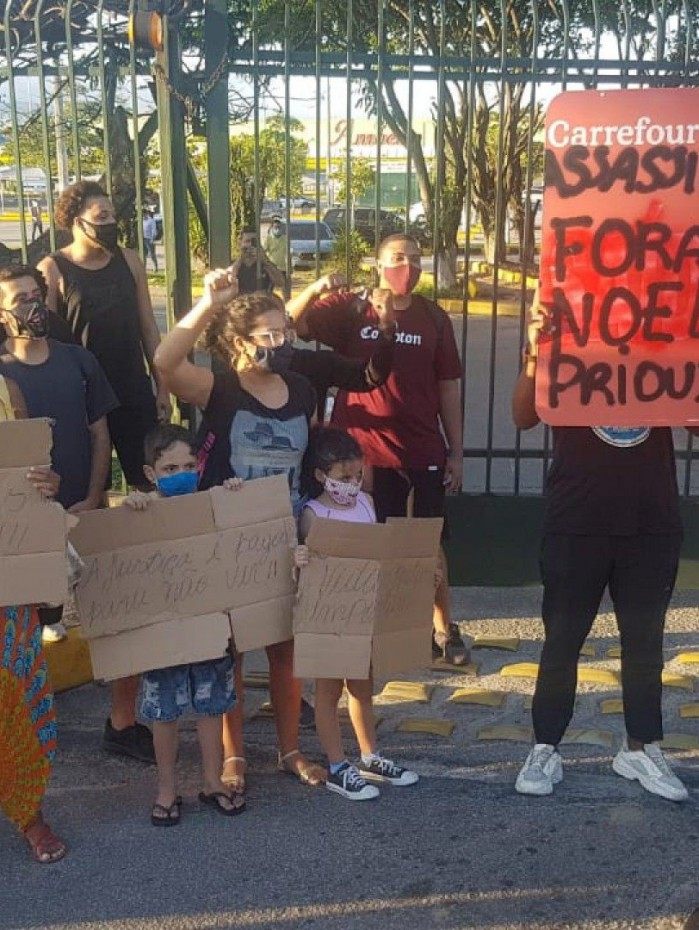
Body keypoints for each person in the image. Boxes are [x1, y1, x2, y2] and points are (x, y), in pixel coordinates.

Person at [153, 271, 326, 798]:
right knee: (229, 651)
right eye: (269, 334)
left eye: (285, 330)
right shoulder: (219, 387)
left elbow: (307, 464)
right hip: (226, 541)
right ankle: (233, 755)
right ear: (240, 341)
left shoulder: (303, 391)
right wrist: (208, 302)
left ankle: (290, 750)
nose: (282, 341)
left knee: (285, 652)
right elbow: (165, 362)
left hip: (283, 538)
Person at [511, 294, 690, 802]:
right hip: (578, 519)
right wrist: (534, 353)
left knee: (645, 643)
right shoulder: (565, 344)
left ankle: (642, 746)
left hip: (649, 520)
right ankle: (545, 746)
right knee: (562, 639)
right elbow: (523, 415)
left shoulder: (664, 346)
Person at [287, 233, 469, 666]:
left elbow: (448, 386)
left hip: (420, 447)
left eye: (416, 259)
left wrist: (456, 452)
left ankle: (444, 630)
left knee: (428, 544)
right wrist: (316, 288)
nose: (409, 267)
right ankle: (367, 629)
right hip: (361, 454)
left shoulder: (434, 318)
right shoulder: (352, 307)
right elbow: (291, 323)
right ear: (378, 263)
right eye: (399, 258)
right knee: (365, 543)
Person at [0, 264, 154, 763]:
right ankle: (25, 734)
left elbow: (99, 434)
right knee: (27, 633)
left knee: (115, 614)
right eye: (19, 299)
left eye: (36, 294)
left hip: (83, 510)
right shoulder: (2, 378)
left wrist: (92, 497)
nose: (32, 305)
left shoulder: (79, 361)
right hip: (23, 529)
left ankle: (122, 722)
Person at [123, 424, 245, 824]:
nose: (181, 474)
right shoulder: (142, 511)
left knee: (211, 707)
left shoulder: (211, 504)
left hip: (208, 627)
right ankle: (166, 788)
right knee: (164, 712)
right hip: (162, 633)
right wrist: (133, 508)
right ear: (150, 473)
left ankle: (212, 781)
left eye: (189, 466)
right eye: (170, 468)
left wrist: (235, 497)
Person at [294, 427, 419, 801]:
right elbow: (311, 564)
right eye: (343, 477)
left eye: (357, 475)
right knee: (328, 690)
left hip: (363, 612)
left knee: (362, 687)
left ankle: (369, 755)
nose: (351, 484)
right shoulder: (313, 513)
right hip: (328, 616)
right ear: (321, 475)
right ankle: (337, 765)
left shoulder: (367, 503)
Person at [38, 181, 171, 498]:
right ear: (77, 221)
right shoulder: (53, 269)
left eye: (112, 216)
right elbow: (47, 340)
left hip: (131, 386)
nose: (110, 223)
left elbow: (148, 328)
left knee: (148, 480)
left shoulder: (129, 260)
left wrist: (163, 387)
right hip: (83, 393)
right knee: (90, 488)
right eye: (101, 217)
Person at [0, 373, 66, 863]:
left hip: (9, 578)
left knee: (18, 693)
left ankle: (28, 812)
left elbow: (26, 470)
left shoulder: (5, 388)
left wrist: (46, 485)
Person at [235, 227, 286, 295]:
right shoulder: (236, 265)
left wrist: (265, 261)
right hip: (240, 300)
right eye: (247, 241)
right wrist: (241, 258)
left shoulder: (264, 264)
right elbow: (230, 278)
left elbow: (280, 283)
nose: (250, 245)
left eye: (254, 242)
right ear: (240, 243)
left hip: (262, 300)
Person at [264, 217, 289, 297]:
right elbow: (264, 251)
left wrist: (289, 266)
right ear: (272, 228)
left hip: (282, 267)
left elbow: (288, 253)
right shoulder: (269, 238)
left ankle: (286, 302)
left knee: (284, 287)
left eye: (278, 227)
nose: (277, 229)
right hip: (272, 266)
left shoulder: (285, 238)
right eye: (275, 227)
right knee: (269, 287)